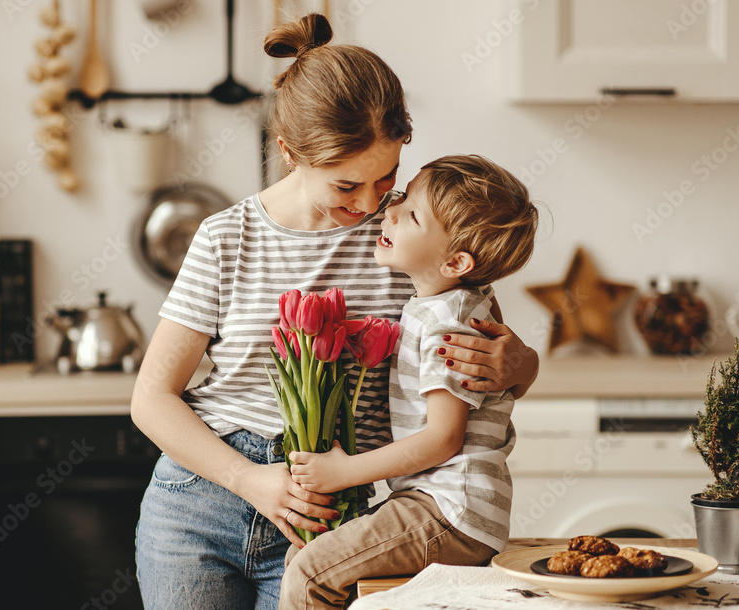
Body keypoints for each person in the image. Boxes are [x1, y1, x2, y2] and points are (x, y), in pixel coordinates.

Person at [130, 14, 540, 610]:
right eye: (346, 185)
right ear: (289, 152)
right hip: (200, 504)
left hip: (334, 518)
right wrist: (252, 482)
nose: (372, 203)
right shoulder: (227, 238)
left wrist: (522, 364)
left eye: (388, 177)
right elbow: (151, 398)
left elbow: (480, 370)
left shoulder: (413, 242)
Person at [279, 154, 540, 609]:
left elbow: (443, 439)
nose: (390, 210)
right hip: (445, 507)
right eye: (401, 197)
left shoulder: (447, 323)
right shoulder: (460, 300)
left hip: (450, 510)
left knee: (308, 576)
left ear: (456, 261)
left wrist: (342, 472)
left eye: (412, 214)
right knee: (304, 558)